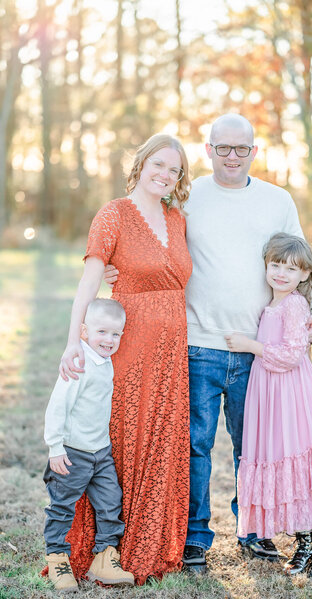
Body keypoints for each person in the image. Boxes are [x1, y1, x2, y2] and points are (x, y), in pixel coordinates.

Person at [104, 114, 312, 573]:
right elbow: (146, 231)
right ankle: (194, 538)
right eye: (222, 148)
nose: (231, 157)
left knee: (255, 447)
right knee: (195, 447)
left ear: (254, 151)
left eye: (240, 149)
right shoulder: (187, 195)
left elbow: (301, 257)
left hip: (256, 348)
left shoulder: (277, 199)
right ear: (207, 150)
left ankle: (255, 532)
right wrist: (115, 268)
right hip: (197, 342)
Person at [58, 134, 193, 584]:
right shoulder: (113, 214)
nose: (165, 175)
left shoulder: (178, 219)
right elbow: (90, 280)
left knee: (160, 438)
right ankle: (105, 549)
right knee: (120, 435)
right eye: (158, 164)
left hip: (172, 352)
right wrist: (73, 339)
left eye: (174, 170)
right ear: (141, 164)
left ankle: (150, 542)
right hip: (127, 342)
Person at [226, 233, 312, 577]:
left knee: (304, 459)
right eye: (275, 265)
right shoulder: (273, 303)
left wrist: (251, 345)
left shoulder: (293, 304)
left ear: (305, 275)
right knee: (284, 459)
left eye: (291, 269)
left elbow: (292, 355)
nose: (281, 273)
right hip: (271, 391)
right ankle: (305, 541)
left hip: (292, 391)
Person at [44, 298, 135, 591]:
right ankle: (58, 558)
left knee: (111, 503)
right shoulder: (79, 361)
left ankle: (104, 559)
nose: (109, 340)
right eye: (102, 332)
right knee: (62, 507)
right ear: (83, 332)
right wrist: (55, 447)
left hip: (101, 452)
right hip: (72, 453)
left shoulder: (105, 360)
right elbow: (58, 405)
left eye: (116, 334)